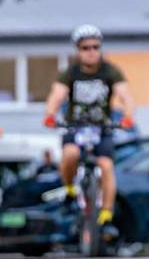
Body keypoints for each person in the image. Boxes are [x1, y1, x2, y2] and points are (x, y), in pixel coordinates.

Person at [43, 24, 135, 238]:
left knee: (106, 165)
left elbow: (126, 96)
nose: (91, 51)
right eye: (86, 47)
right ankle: (69, 189)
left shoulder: (110, 70)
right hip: (75, 126)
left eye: (95, 46)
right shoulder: (70, 72)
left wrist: (128, 116)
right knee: (70, 154)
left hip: (102, 127)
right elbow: (56, 95)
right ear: (78, 50)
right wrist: (49, 114)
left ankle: (106, 214)